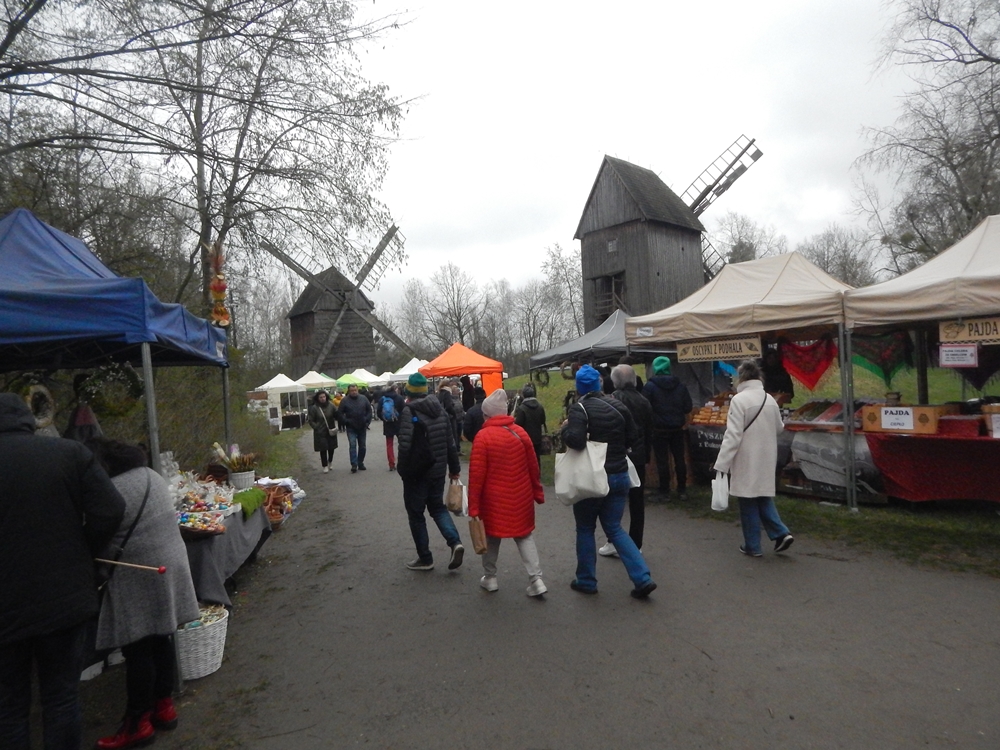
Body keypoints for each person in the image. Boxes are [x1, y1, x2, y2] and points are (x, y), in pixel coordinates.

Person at [0, 393, 126, 750]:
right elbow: (111, 508)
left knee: (9, 709)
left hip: (5, 609)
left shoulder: (68, 454)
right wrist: (84, 548)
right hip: (64, 599)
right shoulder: (67, 453)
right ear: (29, 420)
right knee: (60, 698)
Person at [88, 439, 200, 750]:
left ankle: (138, 723)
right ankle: (163, 707)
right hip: (167, 565)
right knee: (161, 637)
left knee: (138, 649)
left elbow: (97, 534)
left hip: (139, 572)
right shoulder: (152, 476)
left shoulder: (114, 489)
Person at [561, 365, 657, 598]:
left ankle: (586, 580)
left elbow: (575, 441)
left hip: (592, 477)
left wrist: (565, 430)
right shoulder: (619, 405)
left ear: (579, 387)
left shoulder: (579, 408)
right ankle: (642, 577)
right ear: (601, 384)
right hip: (619, 475)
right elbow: (633, 436)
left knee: (585, 527)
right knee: (614, 528)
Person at [469, 389, 547, 597]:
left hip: (493, 501)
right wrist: (537, 493)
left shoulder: (483, 437)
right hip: (521, 497)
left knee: (491, 538)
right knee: (524, 537)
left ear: (488, 415)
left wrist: (474, 506)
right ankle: (536, 579)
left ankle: (490, 578)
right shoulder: (521, 433)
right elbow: (533, 467)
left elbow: (476, 476)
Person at [713, 358, 794, 557]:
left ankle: (753, 545)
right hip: (766, 455)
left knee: (748, 500)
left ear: (741, 378)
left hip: (746, 457)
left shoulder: (739, 400)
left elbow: (733, 436)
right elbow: (779, 428)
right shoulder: (769, 399)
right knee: (762, 495)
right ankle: (780, 532)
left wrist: (721, 464)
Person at [397, 373, 465, 571]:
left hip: (417, 473)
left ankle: (425, 558)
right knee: (437, 508)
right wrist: (454, 469)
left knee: (416, 513)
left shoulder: (408, 411)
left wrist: (403, 470)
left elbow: (404, 446)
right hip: (437, 471)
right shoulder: (440, 410)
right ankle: (455, 542)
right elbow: (450, 442)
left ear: (409, 391)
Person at [599, 364, 654, 558]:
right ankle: (636, 543)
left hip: (618, 456)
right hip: (638, 457)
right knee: (637, 502)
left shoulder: (612, 400)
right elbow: (648, 433)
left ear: (615, 382)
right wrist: (647, 456)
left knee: (613, 500)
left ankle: (613, 540)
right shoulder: (644, 401)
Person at [643, 356, 693, 500]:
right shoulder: (681, 386)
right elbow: (688, 407)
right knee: (679, 459)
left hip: (658, 429)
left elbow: (645, 408)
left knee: (662, 460)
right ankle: (682, 489)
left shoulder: (649, 387)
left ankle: (664, 491)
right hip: (677, 428)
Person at [338, 383, 372, 473]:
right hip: (351, 427)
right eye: (352, 391)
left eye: (355, 390)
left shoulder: (363, 399)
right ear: (348, 391)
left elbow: (369, 410)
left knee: (362, 446)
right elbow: (340, 413)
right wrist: (346, 421)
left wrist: (367, 421)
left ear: (358, 390)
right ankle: (354, 464)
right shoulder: (344, 400)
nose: (354, 392)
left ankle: (360, 462)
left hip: (362, 426)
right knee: (352, 445)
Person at [513, 383, 547, 468]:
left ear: (524, 395)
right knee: (536, 458)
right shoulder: (540, 407)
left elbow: (518, 424)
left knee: (526, 459)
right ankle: (537, 476)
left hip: (525, 439)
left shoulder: (522, 408)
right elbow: (543, 420)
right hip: (537, 437)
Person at [307, 390, 338, 473]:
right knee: (323, 448)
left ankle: (330, 461)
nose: (322, 399)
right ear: (317, 398)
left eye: (324, 397)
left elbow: (337, 414)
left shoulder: (331, 406)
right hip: (320, 432)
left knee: (331, 448)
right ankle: (324, 465)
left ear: (326, 397)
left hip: (330, 430)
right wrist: (316, 427)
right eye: (320, 397)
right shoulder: (314, 408)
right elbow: (311, 420)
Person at [381, 384, 406, 471]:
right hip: (399, 423)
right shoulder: (399, 398)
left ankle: (391, 463)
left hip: (388, 424)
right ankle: (402, 462)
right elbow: (404, 410)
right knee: (402, 443)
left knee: (389, 445)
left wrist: (384, 419)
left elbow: (378, 412)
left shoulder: (383, 398)